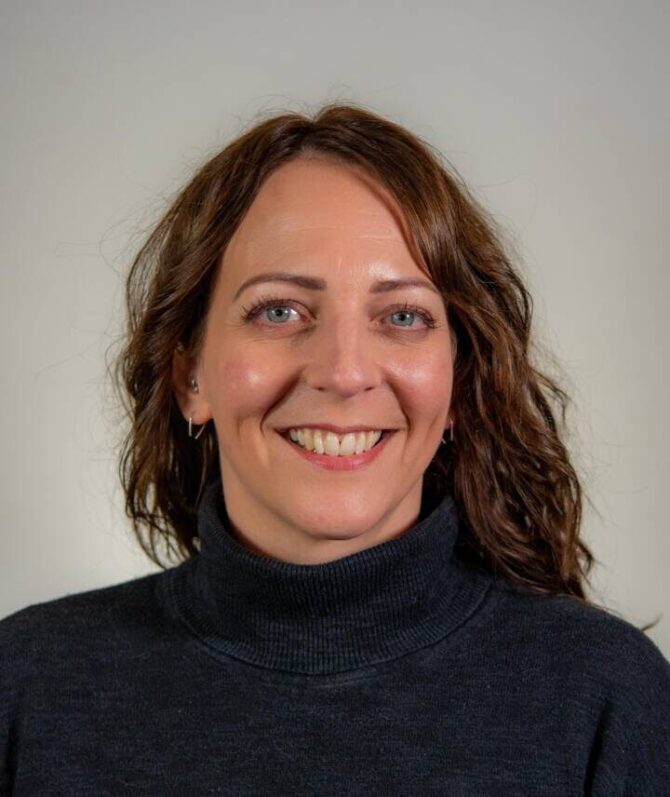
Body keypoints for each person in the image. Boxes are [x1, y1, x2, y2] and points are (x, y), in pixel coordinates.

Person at [1, 104, 669, 795]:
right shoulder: (27, 688)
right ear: (190, 376)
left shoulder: (604, 699)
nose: (345, 371)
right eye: (279, 310)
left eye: (402, 316)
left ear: (458, 383)